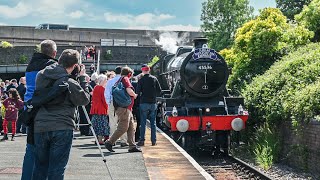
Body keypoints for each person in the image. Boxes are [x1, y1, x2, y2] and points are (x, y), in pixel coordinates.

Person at [32, 49, 90, 180]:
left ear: (59, 60)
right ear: (75, 66)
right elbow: (84, 100)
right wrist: (81, 78)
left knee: (40, 167)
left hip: (40, 125)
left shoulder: (41, 75)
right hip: (62, 126)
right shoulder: (70, 83)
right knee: (57, 168)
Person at [21, 39, 58, 180]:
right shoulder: (51, 66)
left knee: (30, 148)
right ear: (54, 53)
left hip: (29, 109)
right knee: (47, 151)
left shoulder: (31, 65)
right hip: (43, 111)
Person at [104, 66, 141, 153]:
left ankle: (132, 146)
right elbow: (129, 90)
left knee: (131, 127)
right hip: (124, 108)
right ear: (129, 74)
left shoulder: (119, 80)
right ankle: (110, 142)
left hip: (125, 108)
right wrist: (134, 95)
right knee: (123, 127)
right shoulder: (125, 79)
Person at [136, 64, 162, 146]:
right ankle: (153, 141)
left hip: (143, 103)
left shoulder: (141, 80)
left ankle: (142, 140)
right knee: (153, 123)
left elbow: (137, 92)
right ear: (149, 70)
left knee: (143, 123)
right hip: (153, 103)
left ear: (142, 71)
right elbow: (159, 91)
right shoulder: (154, 79)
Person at [104, 66, 128, 147]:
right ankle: (123, 141)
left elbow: (106, 93)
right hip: (122, 104)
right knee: (123, 122)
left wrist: (109, 102)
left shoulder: (110, 81)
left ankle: (112, 140)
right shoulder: (124, 80)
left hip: (112, 103)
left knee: (112, 122)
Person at [90, 74, 109, 144]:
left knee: (96, 124)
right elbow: (104, 100)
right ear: (103, 80)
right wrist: (107, 109)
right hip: (101, 109)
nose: (106, 81)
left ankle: (97, 139)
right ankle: (100, 140)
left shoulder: (95, 87)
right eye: (105, 80)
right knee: (101, 125)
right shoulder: (102, 89)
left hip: (95, 108)